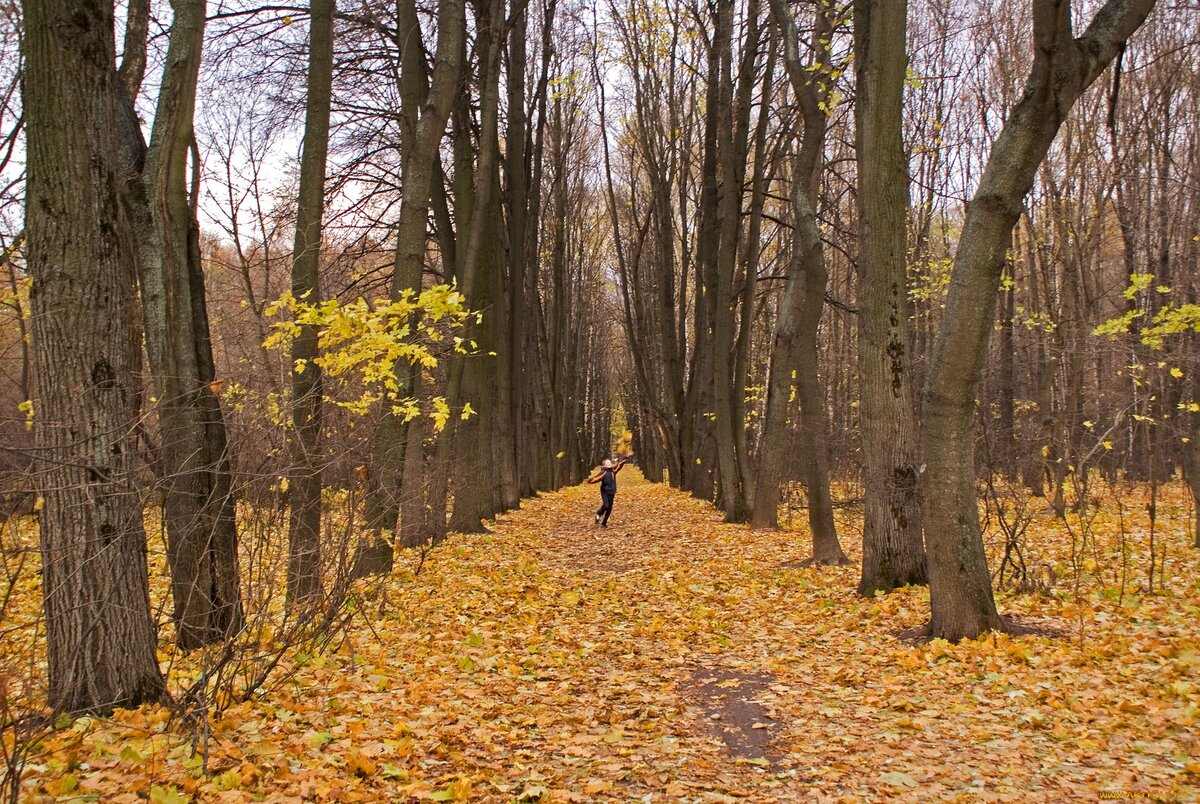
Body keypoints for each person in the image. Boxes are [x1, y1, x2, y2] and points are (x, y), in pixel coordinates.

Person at [587, 455, 633, 527]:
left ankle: (604, 523)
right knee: (606, 505)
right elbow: (596, 479)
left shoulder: (613, 471)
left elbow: (619, 465)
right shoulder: (603, 472)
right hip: (605, 491)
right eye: (607, 463)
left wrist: (626, 457)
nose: (609, 464)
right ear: (604, 465)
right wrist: (589, 481)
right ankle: (598, 514)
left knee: (609, 508)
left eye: (609, 463)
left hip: (612, 491)